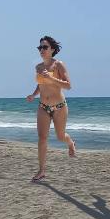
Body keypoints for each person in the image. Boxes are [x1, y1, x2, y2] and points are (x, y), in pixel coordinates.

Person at [25, 35, 77, 181]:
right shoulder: (38, 67)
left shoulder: (58, 65)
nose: (41, 50)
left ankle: (70, 143)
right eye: (40, 47)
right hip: (43, 106)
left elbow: (68, 86)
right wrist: (33, 95)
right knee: (42, 138)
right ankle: (41, 171)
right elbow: (41, 84)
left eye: (45, 47)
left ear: (52, 49)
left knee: (60, 136)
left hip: (59, 107)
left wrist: (51, 78)